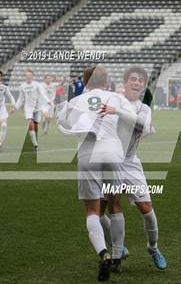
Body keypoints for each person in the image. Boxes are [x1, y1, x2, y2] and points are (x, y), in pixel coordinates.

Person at [57, 64, 136, 281]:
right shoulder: (116, 97)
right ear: (106, 81)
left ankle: (104, 253)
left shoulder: (76, 101)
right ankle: (118, 256)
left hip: (87, 153)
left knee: (92, 211)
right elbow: (132, 119)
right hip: (112, 151)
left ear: (85, 82)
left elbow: (63, 123)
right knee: (115, 205)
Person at [98, 66, 167, 272]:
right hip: (110, 162)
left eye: (141, 81)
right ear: (125, 82)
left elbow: (142, 124)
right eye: (133, 79)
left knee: (147, 211)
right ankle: (119, 251)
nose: (136, 83)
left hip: (130, 163)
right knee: (101, 212)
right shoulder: (113, 100)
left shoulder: (144, 108)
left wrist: (116, 111)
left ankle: (153, 248)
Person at [11, 70, 50, 150]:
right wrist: (15, 108)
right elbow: (20, 99)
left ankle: (34, 135)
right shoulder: (22, 86)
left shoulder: (37, 85)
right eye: (27, 75)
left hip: (38, 108)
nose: (28, 77)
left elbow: (43, 94)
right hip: (28, 108)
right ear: (25, 77)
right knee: (30, 124)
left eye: (30, 75)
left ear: (32, 76)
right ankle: (35, 144)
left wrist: (48, 101)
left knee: (35, 126)